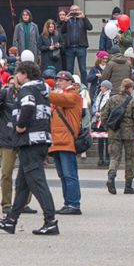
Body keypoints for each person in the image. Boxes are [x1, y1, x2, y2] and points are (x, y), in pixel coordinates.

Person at [0, 61, 59, 235]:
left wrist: (20, 125)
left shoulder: (27, 89)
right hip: (40, 140)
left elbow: (28, 107)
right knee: (22, 185)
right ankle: (11, 220)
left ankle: (50, 221)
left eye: (17, 74)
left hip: (31, 141)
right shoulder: (42, 89)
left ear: (24, 74)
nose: (15, 78)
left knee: (38, 183)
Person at [47, 73, 84, 213]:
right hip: (57, 140)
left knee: (69, 175)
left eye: (62, 80)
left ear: (70, 81)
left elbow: (62, 99)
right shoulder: (60, 95)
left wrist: (45, 91)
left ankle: (74, 204)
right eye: (57, 80)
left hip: (66, 140)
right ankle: (69, 203)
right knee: (63, 175)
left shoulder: (73, 95)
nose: (59, 82)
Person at [103, 77, 134, 196]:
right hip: (129, 134)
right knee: (130, 159)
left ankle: (111, 177)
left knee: (114, 157)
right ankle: (128, 186)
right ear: (130, 88)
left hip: (114, 133)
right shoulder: (133, 101)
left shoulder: (112, 99)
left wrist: (108, 128)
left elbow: (104, 115)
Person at [61, 5, 91, 84]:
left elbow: (90, 27)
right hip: (70, 48)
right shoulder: (68, 20)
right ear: (70, 11)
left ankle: (84, 86)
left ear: (79, 10)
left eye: (76, 10)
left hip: (81, 47)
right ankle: (69, 85)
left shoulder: (82, 19)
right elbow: (62, 31)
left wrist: (84, 17)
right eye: (72, 10)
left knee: (83, 69)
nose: (74, 12)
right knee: (69, 69)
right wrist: (65, 20)